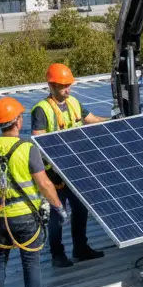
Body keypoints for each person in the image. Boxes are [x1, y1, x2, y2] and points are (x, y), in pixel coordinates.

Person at [0, 97, 66, 287]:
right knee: (30, 263)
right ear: (16, 121)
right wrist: (58, 207)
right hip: (26, 219)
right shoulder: (28, 149)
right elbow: (44, 184)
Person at [31, 62, 107, 268]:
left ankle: (81, 248)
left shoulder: (73, 102)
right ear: (52, 86)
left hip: (76, 169)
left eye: (69, 85)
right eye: (64, 86)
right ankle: (57, 254)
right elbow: (38, 141)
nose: (68, 89)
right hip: (54, 174)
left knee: (81, 210)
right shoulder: (41, 110)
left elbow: (91, 119)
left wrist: (112, 121)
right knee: (58, 216)